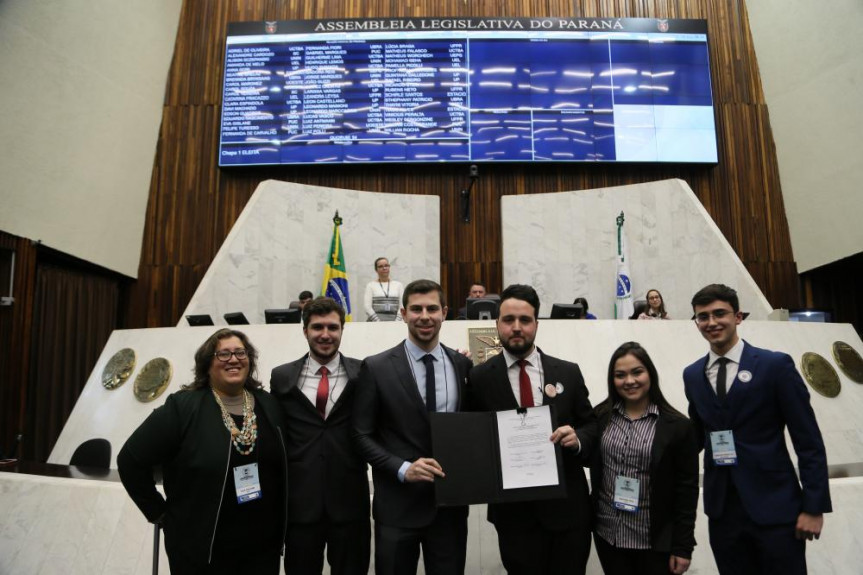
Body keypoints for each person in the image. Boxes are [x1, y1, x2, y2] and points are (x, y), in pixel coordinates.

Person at [683, 284, 831, 575]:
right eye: (702, 317)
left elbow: (808, 440)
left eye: (719, 313)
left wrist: (814, 506)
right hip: (723, 512)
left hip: (776, 507)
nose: (711, 323)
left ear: (738, 316)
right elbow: (696, 436)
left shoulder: (775, 366)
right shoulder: (692, 375)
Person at [117, 329, 288, 574]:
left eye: (240, 352)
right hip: (202, 550)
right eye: (223, 354)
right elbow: (130, 460)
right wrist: (160, 513)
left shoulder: (269, 404)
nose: (233, 359)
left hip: (261, 548)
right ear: (207, 364)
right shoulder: (183, 407)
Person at [466, 284, 597, 575]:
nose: (516, 327)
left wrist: (578, 440)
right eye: (508, 320)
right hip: (514, 517)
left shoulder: (568, 372)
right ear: (497, 323)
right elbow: (473, 438)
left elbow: (591, 425)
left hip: (568, 513)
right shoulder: (479, 378)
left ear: (537, 324)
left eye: (524, 320)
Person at [353, 279, 473, 575]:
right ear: (403, 313)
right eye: (416, 309)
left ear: (444, 312)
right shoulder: (376, 367)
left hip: (449, 510)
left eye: (432, 308)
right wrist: (402, 468)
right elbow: (360, 435)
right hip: (397, 508)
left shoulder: (462, 365)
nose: (425, 316)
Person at [270, 297, 370, 575]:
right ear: (305, 331)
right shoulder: (281, 377)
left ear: (341, 330)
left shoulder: (364, 372)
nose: (325, 335)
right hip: (301, 506)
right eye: (317, 327)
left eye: (332, 327)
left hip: (350, 504)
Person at [591, 342, 699, 575]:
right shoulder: (601, 417)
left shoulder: (677, 426)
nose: (629, 381)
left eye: (637, 372)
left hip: (653, 541)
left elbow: (687, 490)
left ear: (650, 373)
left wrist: (682, 547)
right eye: (620, 375)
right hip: (608, 534)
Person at [364, 257, 404, 322]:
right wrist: (379, 322)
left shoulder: (398, 285)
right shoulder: (370, 285)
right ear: (376, 270)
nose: (384, 268)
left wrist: (396, 322)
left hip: (395, 324)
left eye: (386, 265)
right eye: (380, 266)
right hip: (375, 324)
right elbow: (367, 308)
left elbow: (402, 306)